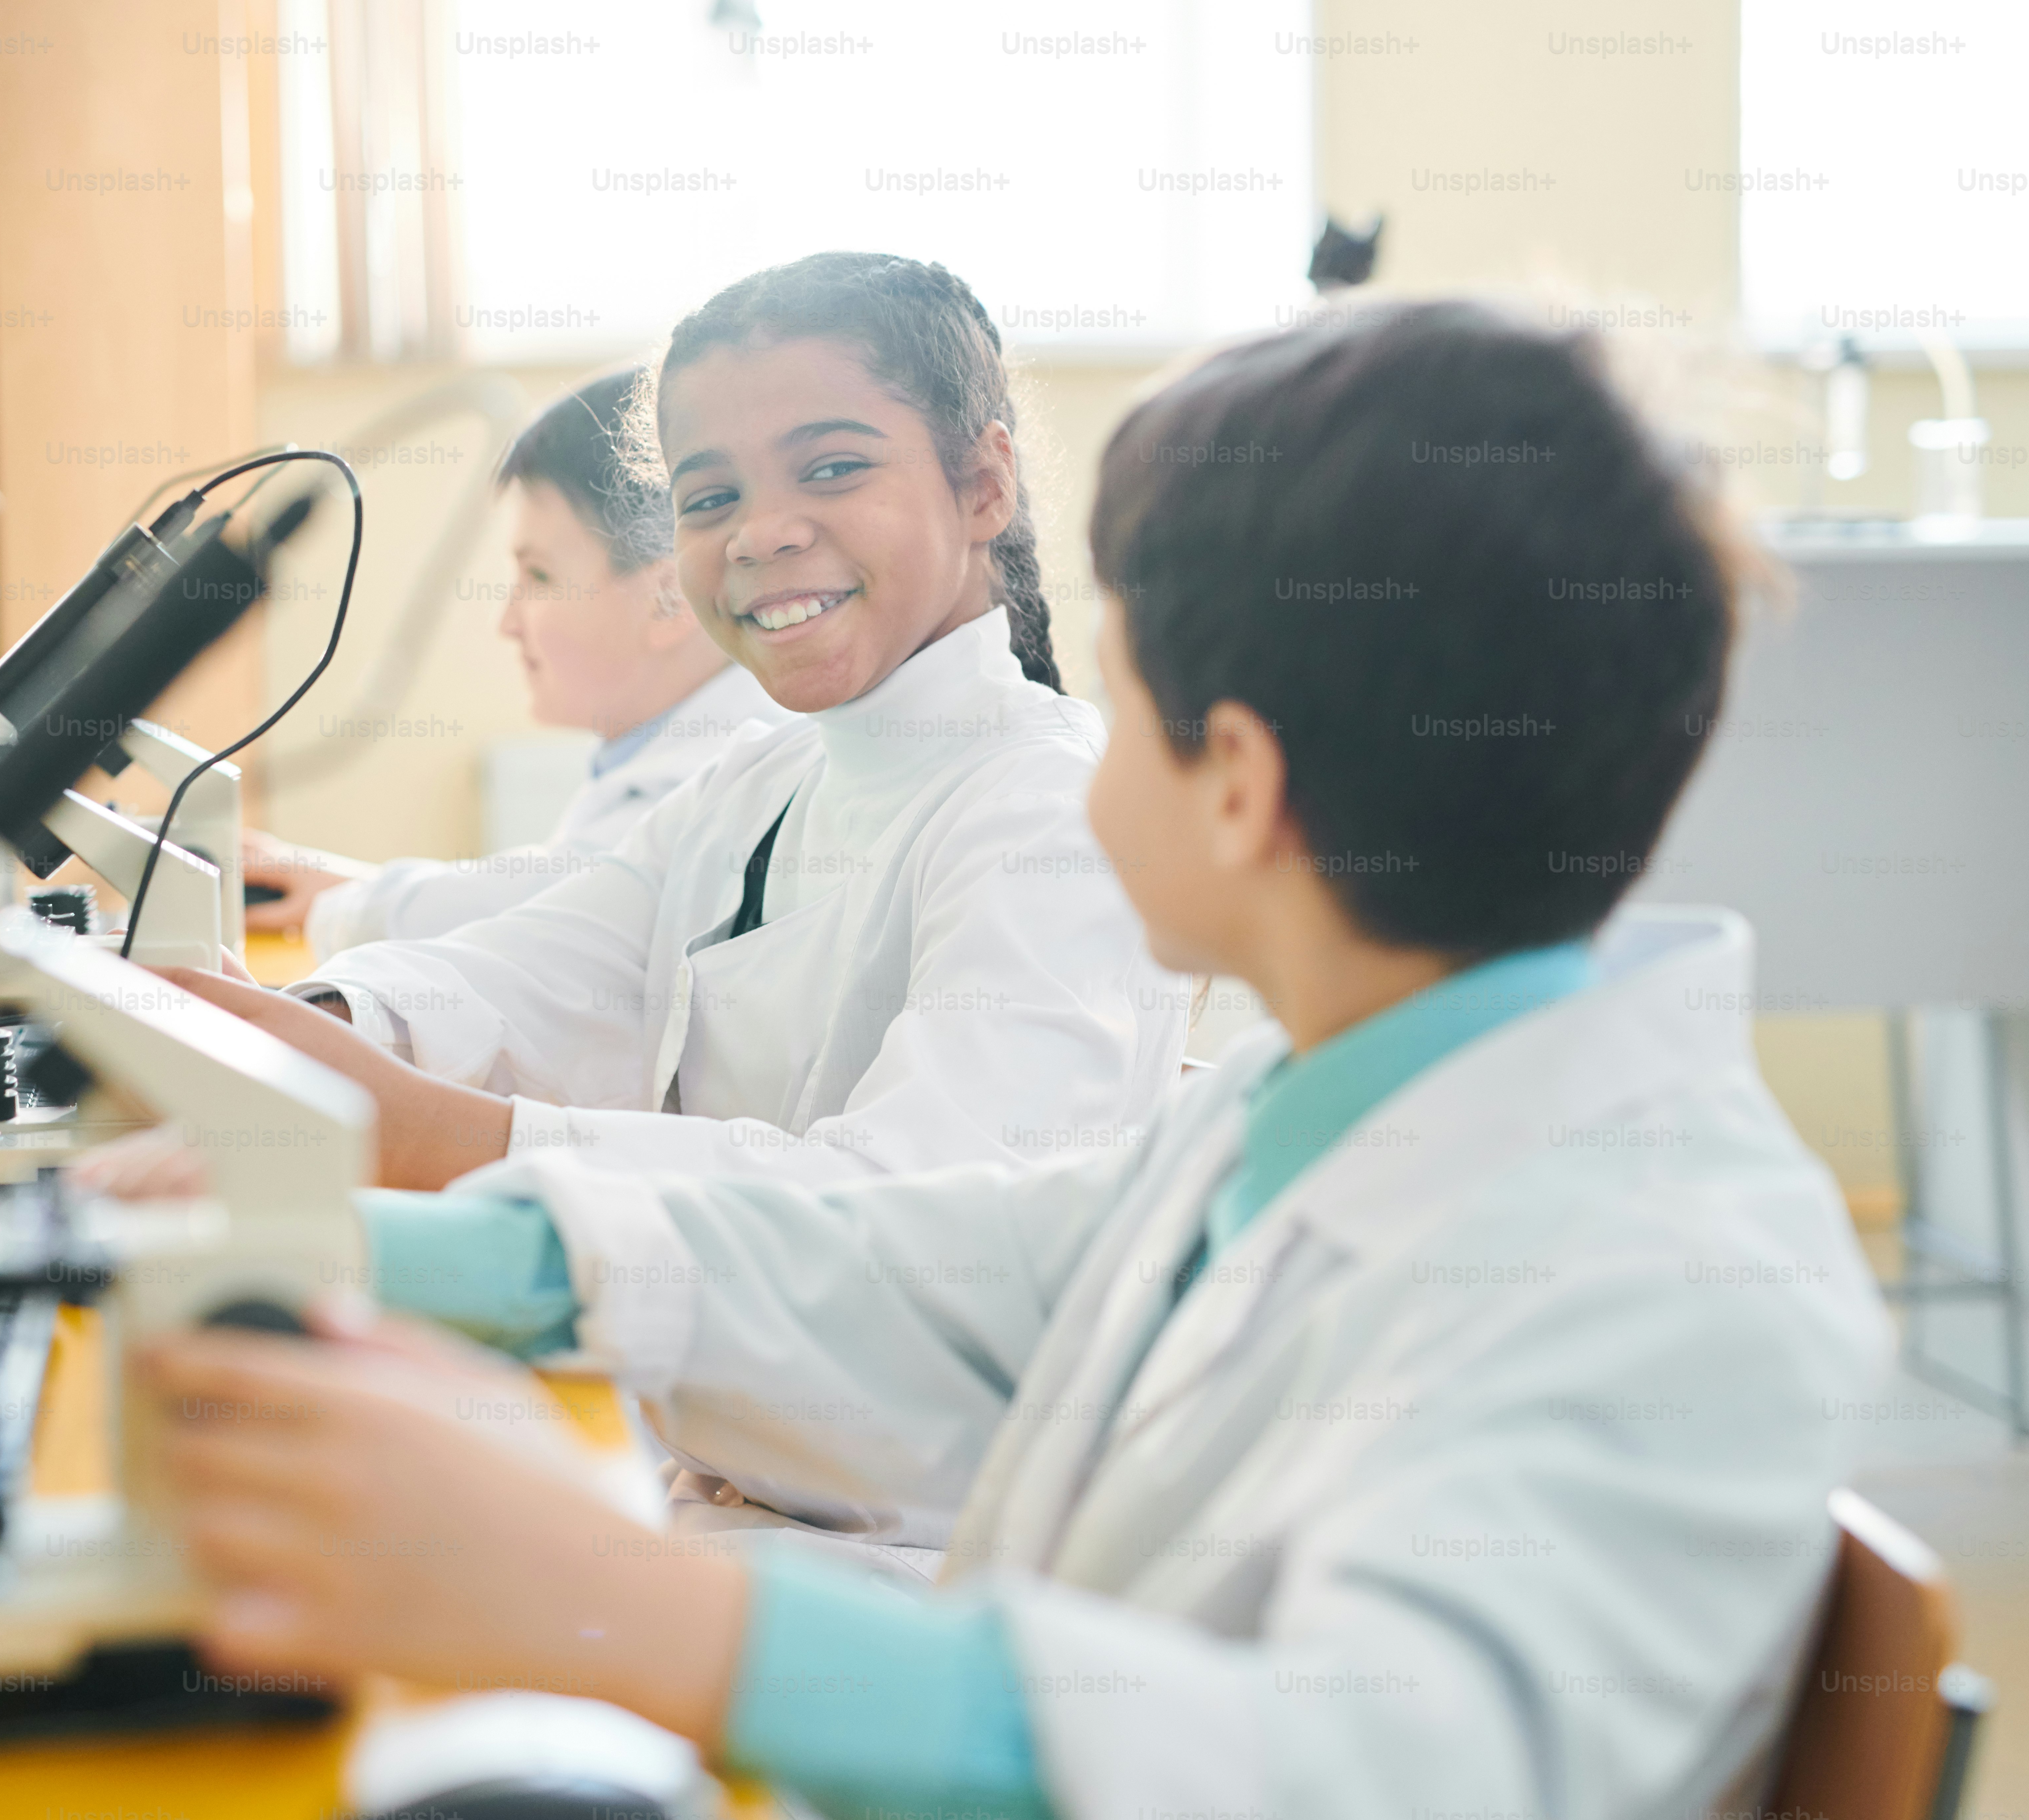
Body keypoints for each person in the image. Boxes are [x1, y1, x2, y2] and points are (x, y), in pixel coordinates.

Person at [135, 301, 1891, 1820]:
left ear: (1239, 784)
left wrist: (605, 1597)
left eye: (1119, 699)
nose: (1077, 737)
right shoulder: (1318, 1112)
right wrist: (367, 1248)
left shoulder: (1668, 1270)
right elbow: (935, 1268)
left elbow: (1345, 1777)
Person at [150, 253, 1184, 1191]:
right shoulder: (758, 783)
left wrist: (442, 1135)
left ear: (985, 484)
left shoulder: (1049, 818)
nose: (762, 533)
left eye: (831, 468)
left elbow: (920, 1218)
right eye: (710, 496)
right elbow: (534, 973)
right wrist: (318, 1024)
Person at [243, 371, 789, 960]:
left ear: (670, 598)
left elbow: (554, 906)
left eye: (539, 576)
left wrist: (352, 902)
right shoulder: (670, 757)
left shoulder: (720, 781)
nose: (507, 623)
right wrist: (353, 892)